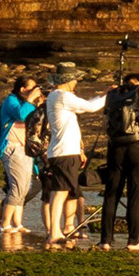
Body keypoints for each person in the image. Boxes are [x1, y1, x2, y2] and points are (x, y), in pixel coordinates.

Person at [45, 62, 107, 248]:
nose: (76, 83)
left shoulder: (55, 97)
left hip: (60, 152)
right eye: (75, 80)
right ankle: (55, 232)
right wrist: (108, 95)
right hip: (65, 152)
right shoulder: (63, 96)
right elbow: (90, 107)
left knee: (60, 191)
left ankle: (55, 231)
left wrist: (102, 95)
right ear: (69, 80)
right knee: (60, 192)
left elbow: (82, 107)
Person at [99, 73, 139, 251]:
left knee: (111, 194)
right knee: (134, 193)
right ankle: (133, 241)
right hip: (138, 146)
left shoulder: (113, 95)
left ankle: (105, 241)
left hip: (116, 147)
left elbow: (105, 125)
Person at [0, 76, 44, 234]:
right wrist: (31, 99)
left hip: (26, 148)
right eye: (31, 88)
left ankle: (17, 223)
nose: (34, 91)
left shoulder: (27, 103)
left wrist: (40, 103)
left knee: (24, 187)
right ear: (23, 89)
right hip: (12, 147)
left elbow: (37, 121)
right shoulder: (11, 101)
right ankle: (5, 224)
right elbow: (22, 115)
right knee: (16, 186)